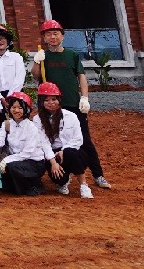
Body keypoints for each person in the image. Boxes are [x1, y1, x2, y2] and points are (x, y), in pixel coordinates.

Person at [33, 20, 109, 188]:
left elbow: (81, 76)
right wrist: (37, 62)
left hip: (72, 104)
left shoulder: (72, 55)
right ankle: (59, 173)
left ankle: (98, 175)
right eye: (48, 34)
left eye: (56, 33)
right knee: (50, 139)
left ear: (62, 36)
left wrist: (85, 97)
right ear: (44, 37)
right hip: (50, 105)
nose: (52, 37)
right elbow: (36, 76)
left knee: (85, 141)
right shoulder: (43, 56)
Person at [0, 91, 57, 196]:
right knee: (5, 183)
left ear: (26, 109)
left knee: (11, 167)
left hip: (34, 162)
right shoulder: (7, 124)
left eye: (20, 108)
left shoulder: (31, 127)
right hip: (16, 160)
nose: (16, 110)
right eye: (13, 107)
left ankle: (35, 185)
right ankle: (19, 186)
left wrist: (6, 160)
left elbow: (27, 153)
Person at [0, 25, 26, 102]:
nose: (0, 41)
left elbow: (19, 78)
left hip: (16, 94)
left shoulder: (16, 57)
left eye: (3, 38)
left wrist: (10, 97)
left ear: (8, 41)